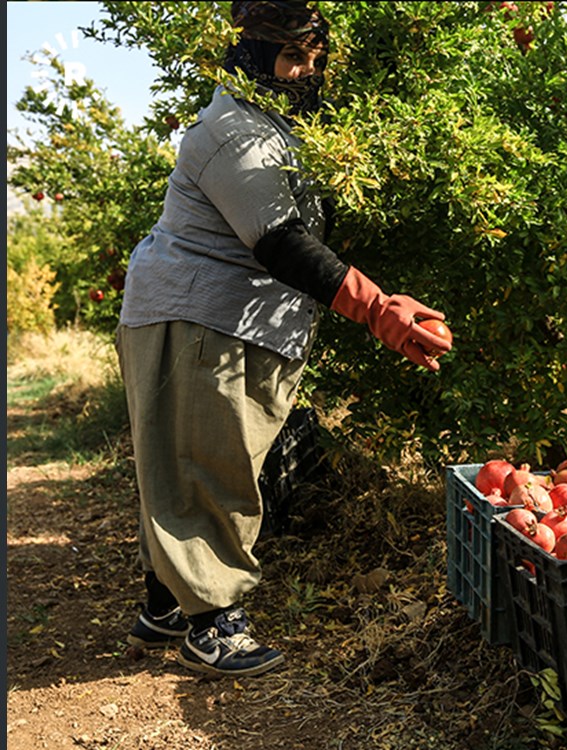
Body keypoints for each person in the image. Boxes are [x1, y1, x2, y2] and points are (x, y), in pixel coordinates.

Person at [116, 0, 451, 677]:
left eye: (313, 60)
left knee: (193, 460)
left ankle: (164, 604)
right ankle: (213, 627)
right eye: (292, 56)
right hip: (200, 315)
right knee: (211, 470)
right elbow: (280, 243)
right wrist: (377, 308)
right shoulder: (231, 131)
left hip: (232, 319)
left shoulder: (280, 128)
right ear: (250, 53)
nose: (303, 72)